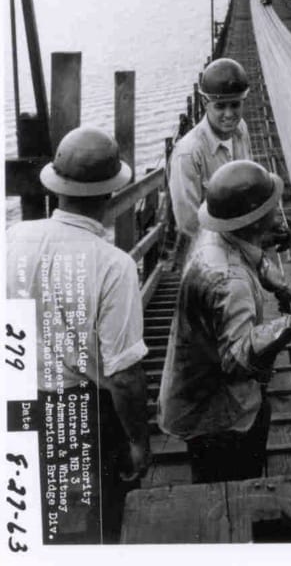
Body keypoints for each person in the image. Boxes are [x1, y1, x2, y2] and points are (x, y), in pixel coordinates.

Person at [6, 127, 151, 542]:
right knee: (100, 519)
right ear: (110, 196)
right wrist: (139, 441)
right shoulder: (113, 265)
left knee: (32, 518)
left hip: (18, 404)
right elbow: (124, 375)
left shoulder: (12, 239)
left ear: (56, 187)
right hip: (83, 413)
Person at [157, 160, 291, 483]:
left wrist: (279, 283)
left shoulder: (214, 233)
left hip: (191, 387)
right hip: (215, 416)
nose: (277, 212)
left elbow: (248, 252)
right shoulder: (232, 282)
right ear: (256, 221)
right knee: (230, 489)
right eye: (271, 209)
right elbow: (238, 358)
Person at [169, 57, 253, 240]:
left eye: (235, 104)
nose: (229, 114)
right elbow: (189, 224)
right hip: (209, 250)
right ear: (204, 103)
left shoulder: (241, 129)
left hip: (241, 234)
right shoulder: (188, 154)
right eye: (220, 106)